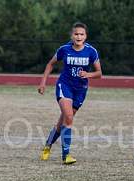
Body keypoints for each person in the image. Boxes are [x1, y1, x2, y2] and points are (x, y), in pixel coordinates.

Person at [38, 22, 102, 164]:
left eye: (81, 34)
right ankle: (66, 155)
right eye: (76, 34)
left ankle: (47, 145)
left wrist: (88, 74)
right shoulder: (64, 49)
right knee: (68, 117)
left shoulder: (91, 51)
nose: (78, 36)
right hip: (64, 85)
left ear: (85, 36)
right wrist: (43, 82)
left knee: (63, 122)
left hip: (80, 90)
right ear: (71, 35)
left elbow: (99, 73)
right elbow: (50, 64)